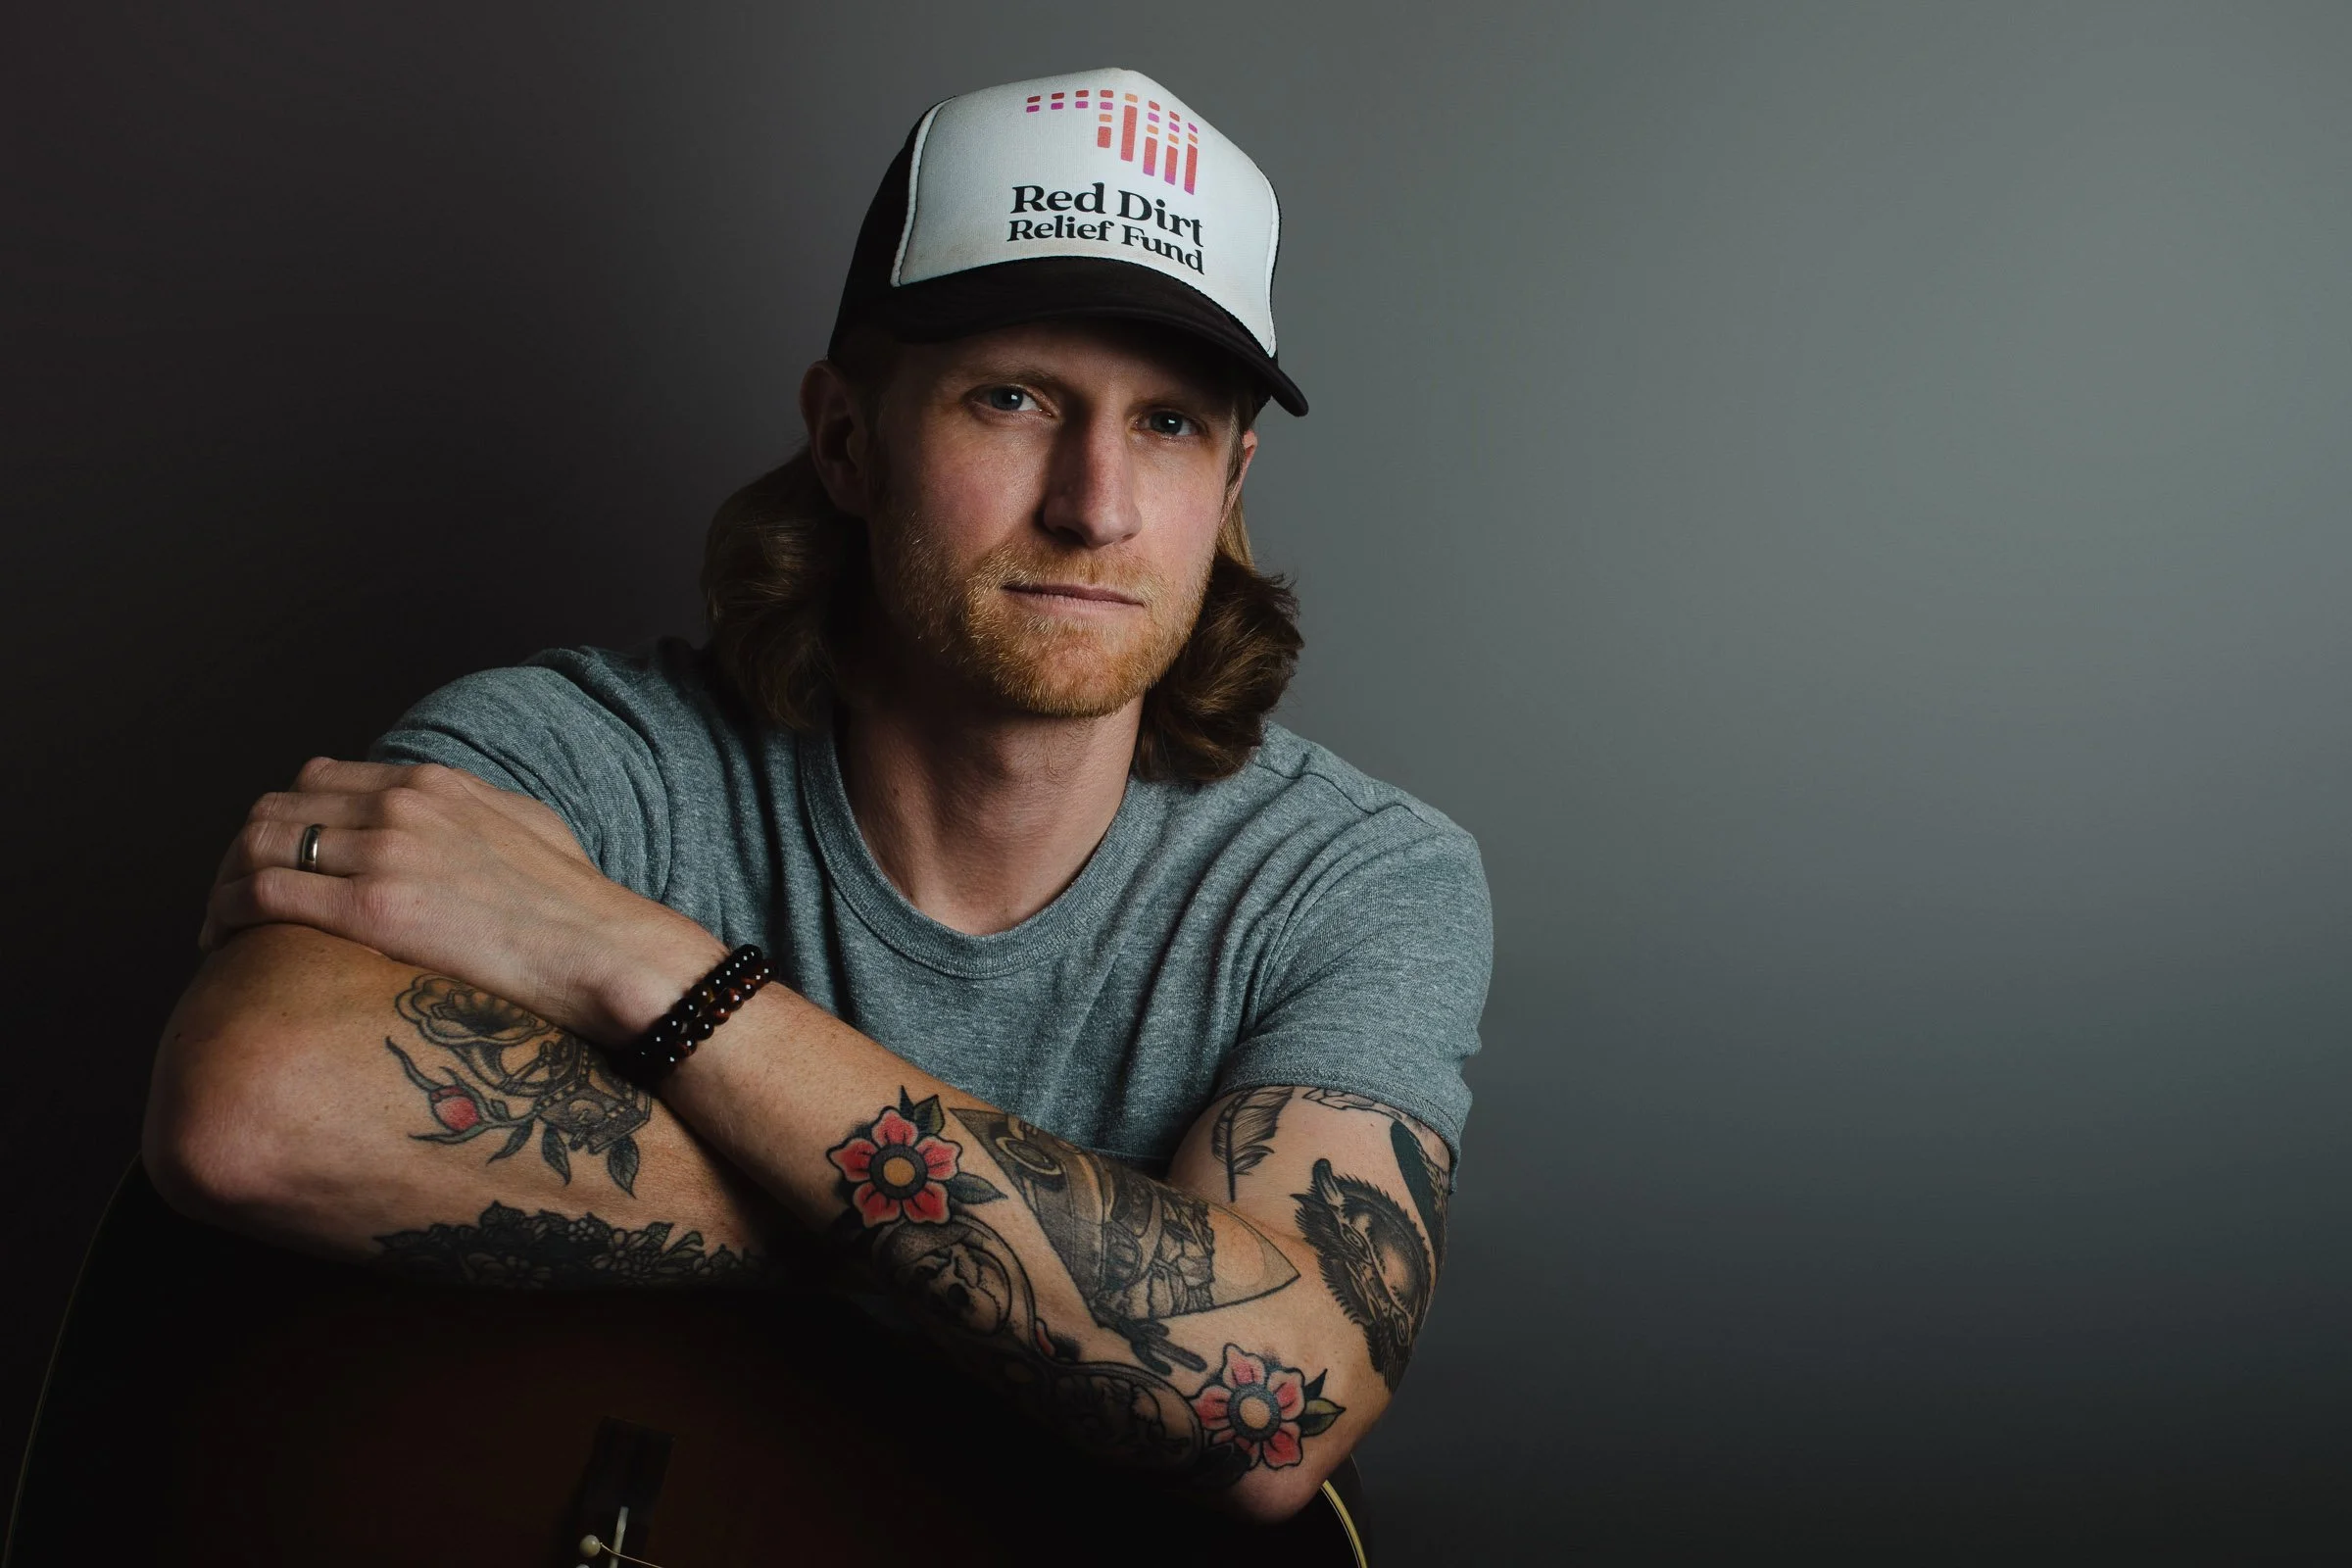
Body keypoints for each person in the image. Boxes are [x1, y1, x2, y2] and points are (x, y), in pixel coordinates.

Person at [142, 68, 1491, 1523]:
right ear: (847, 438)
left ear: (1229, 487)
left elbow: (1275, 1407)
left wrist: (618, 954)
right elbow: (253, 1108)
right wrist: (1046, 1280)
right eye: (1013, 398)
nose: (1094, 503)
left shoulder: (1355, 877)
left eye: (1167, 425)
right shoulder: (591, 754)